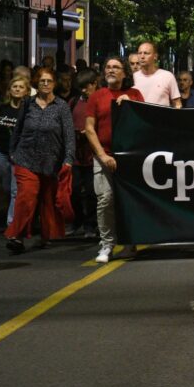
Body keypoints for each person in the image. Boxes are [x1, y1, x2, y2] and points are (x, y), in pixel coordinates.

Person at [4, 67, 75, 254]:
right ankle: (15, 235)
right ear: (36, 83)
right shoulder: (28, 104)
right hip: (25, 159)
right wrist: (12, 152)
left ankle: (46, 235)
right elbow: (17, 129)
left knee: (47, 200)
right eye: (42, 81)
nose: (45, 84)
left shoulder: (62, 107)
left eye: (49, 81)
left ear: (54, 84)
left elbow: (69, 136)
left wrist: (68, 159)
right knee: (26, 196)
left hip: (51, 161)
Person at [84, 57, 144, 264]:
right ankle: (107, 244)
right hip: (103, 156)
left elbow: (143, 122)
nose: (111, 70)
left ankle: (129, 243)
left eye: (116, 67)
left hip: (128, 157)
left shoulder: (135, 94)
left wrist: (131, 104)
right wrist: (102, 155)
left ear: (125, 73)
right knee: (105, 200)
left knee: (128, 201)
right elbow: (90, 129)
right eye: (108, 67)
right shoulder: (97, 97)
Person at [0, 75, 30, 228]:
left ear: (26, 91)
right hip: (1, 152)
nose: (17, 89)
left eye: (21, 87)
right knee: (7, 188)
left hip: (19, 154)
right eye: (14, 86)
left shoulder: (28, 110)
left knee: (16, 190)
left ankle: (12, 223)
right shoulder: (2, 108)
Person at [68, 69, 100, 238]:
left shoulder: (99, 101)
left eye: (87, 87)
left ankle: (90, 224)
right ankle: (77, 219)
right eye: (81, 87)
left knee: (91, 192)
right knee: (73, 191)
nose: (84, 91)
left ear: (95, 84)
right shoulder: (74, 102)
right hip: (76, 156)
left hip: (93, 155)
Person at [133, 41, 181, 108]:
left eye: (146, 53)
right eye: (139, 53)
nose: (142, 56)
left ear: (155, 56)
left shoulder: (167, 76)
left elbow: (177, 103)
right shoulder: (132, 78)